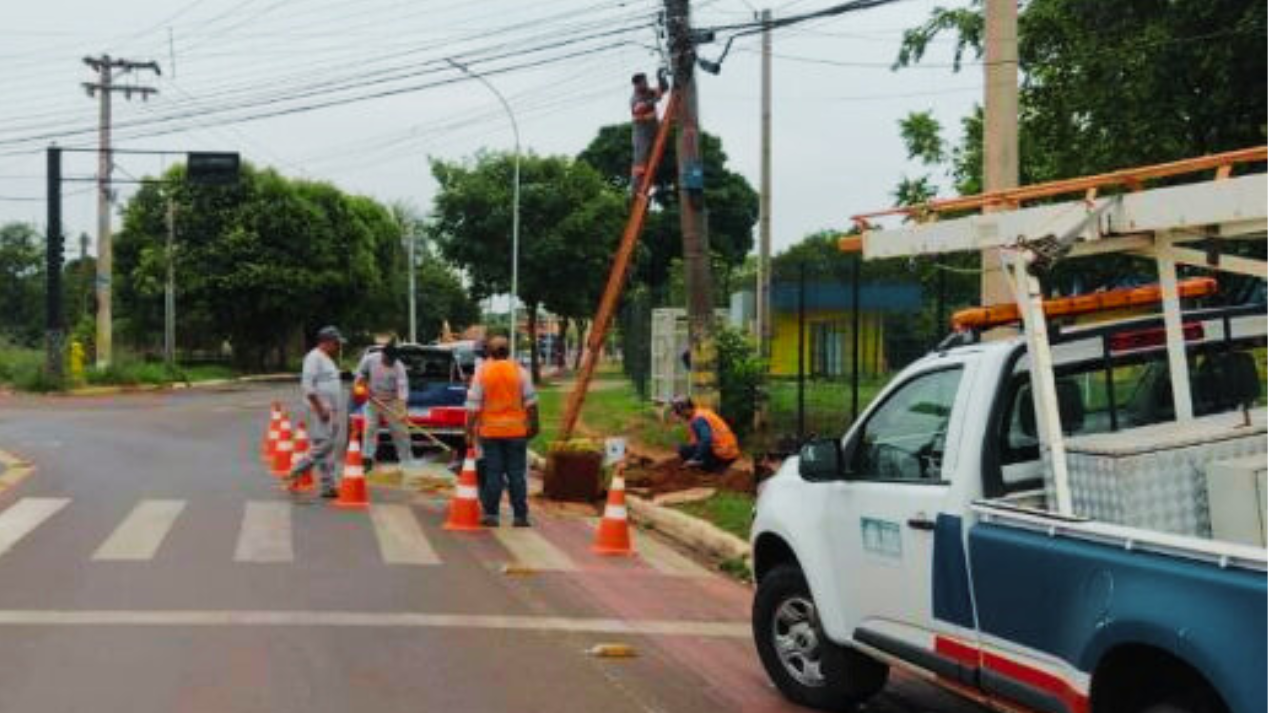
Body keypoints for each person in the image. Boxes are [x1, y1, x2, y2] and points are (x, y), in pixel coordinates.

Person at [465, 335, 539, 527]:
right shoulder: (520, 372)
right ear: (508, 351)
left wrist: (468, 431)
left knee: (493, 474)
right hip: (516, 431)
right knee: (516, 474)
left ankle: (491, 514)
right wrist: (534, 425)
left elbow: (473, 405)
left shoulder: (482, 373)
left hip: (490, 433)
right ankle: (520, 516)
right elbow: (531, 403)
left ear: (489, 352)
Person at [289, 326, 347, 498]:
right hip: (321, 410)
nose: (338, 347)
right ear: (327, 342)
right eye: (336, 343)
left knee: (328, 449)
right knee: (324, 445)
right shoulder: (313, 358)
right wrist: (320, 409)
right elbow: (308, 387)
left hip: (332, 411)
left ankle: (328, 487)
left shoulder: (327, 358)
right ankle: (297, 469)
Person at [355, 338, 415, 475]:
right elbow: (359, 376)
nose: (391, 362)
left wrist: (402, 411)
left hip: (392, 401)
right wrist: (363, 387)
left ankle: (407, 461)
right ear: (383, 354)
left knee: (401, 431)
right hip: (373, 401)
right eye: (389, 359)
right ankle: (367, 460)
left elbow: (402, 392)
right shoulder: (370, 360)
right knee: (369, 429)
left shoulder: (399, 367)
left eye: (393, 359)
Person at [671, 395, 739, 473]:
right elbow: (697, 441)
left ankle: (710, 468)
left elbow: (706, 439)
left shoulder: (698, 420)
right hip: (727, 452)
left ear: (685, 409)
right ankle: (710, 465)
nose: (679, 415)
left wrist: (695, 459)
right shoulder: (700, 413)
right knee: (685, 449)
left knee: (684, 451)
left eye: (678, 412)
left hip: (722, 454)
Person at [629, 69, 669, 187]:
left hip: (653, 129)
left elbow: (663, 89)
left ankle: (649, 183)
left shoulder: (648, 91)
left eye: (646, 81)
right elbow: (639, 109)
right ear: (637, 85)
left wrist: (660, 78)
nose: (646, 84)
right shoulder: (635, 99)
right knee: (641, 160)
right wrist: (654, 100)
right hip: (641, 133)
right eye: (643, 82)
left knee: (655, 156)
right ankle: (637, 187)